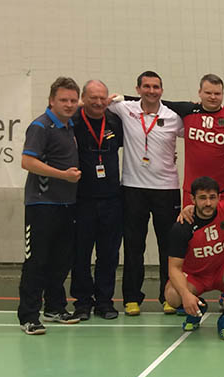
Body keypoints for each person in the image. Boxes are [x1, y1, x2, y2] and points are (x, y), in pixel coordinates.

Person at [108, 71, 183, 316]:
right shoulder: (124, 109)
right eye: (147, 86)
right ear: (137, 89)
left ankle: (168, 296)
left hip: (167, 189)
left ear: (162, 90)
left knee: (168, 247)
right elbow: (95, 103)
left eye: (156, 87)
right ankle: (131, 298)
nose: (152, 91)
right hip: (133, 188)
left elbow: (198, 137)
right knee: (133, 246)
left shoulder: (173, 117)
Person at [18, 77, 83, 334]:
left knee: (61, 260)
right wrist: (63, 175)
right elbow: (27, 162)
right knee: (36, 261)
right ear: (51, 101)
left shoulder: (69, 125)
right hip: (42, 204)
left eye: (73, 100)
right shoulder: (41, 126)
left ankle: (55, 307)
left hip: (67, 205)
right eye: (63, 100)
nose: (69, 105)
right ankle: (28, 316)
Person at [164, 177, 224, 340]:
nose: (208, 203)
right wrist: (185, 295)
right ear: (193, 199)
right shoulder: (182, 226)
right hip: (194, 277)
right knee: (172, 295)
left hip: (222, 271)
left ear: (219, 197)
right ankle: (198, 309)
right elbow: (174, 268)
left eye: (212, 197)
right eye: (202, 198)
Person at [70, 80, 123, 321]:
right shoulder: (74, 121)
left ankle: (104, 302)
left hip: (112, 199)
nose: (99, 102)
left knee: (109, 255)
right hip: (82, 200)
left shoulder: (114, 121)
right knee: (80, 254)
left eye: (103, 98)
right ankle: (82, 302)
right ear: (83, 98)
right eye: (93, 97)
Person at [162, 74, 224, 207]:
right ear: (199, 93)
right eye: (208, 93)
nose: (213, 97)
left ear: (223, 94)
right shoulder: (187, 110)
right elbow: (153, 102)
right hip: (193, 191)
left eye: (217, 93)